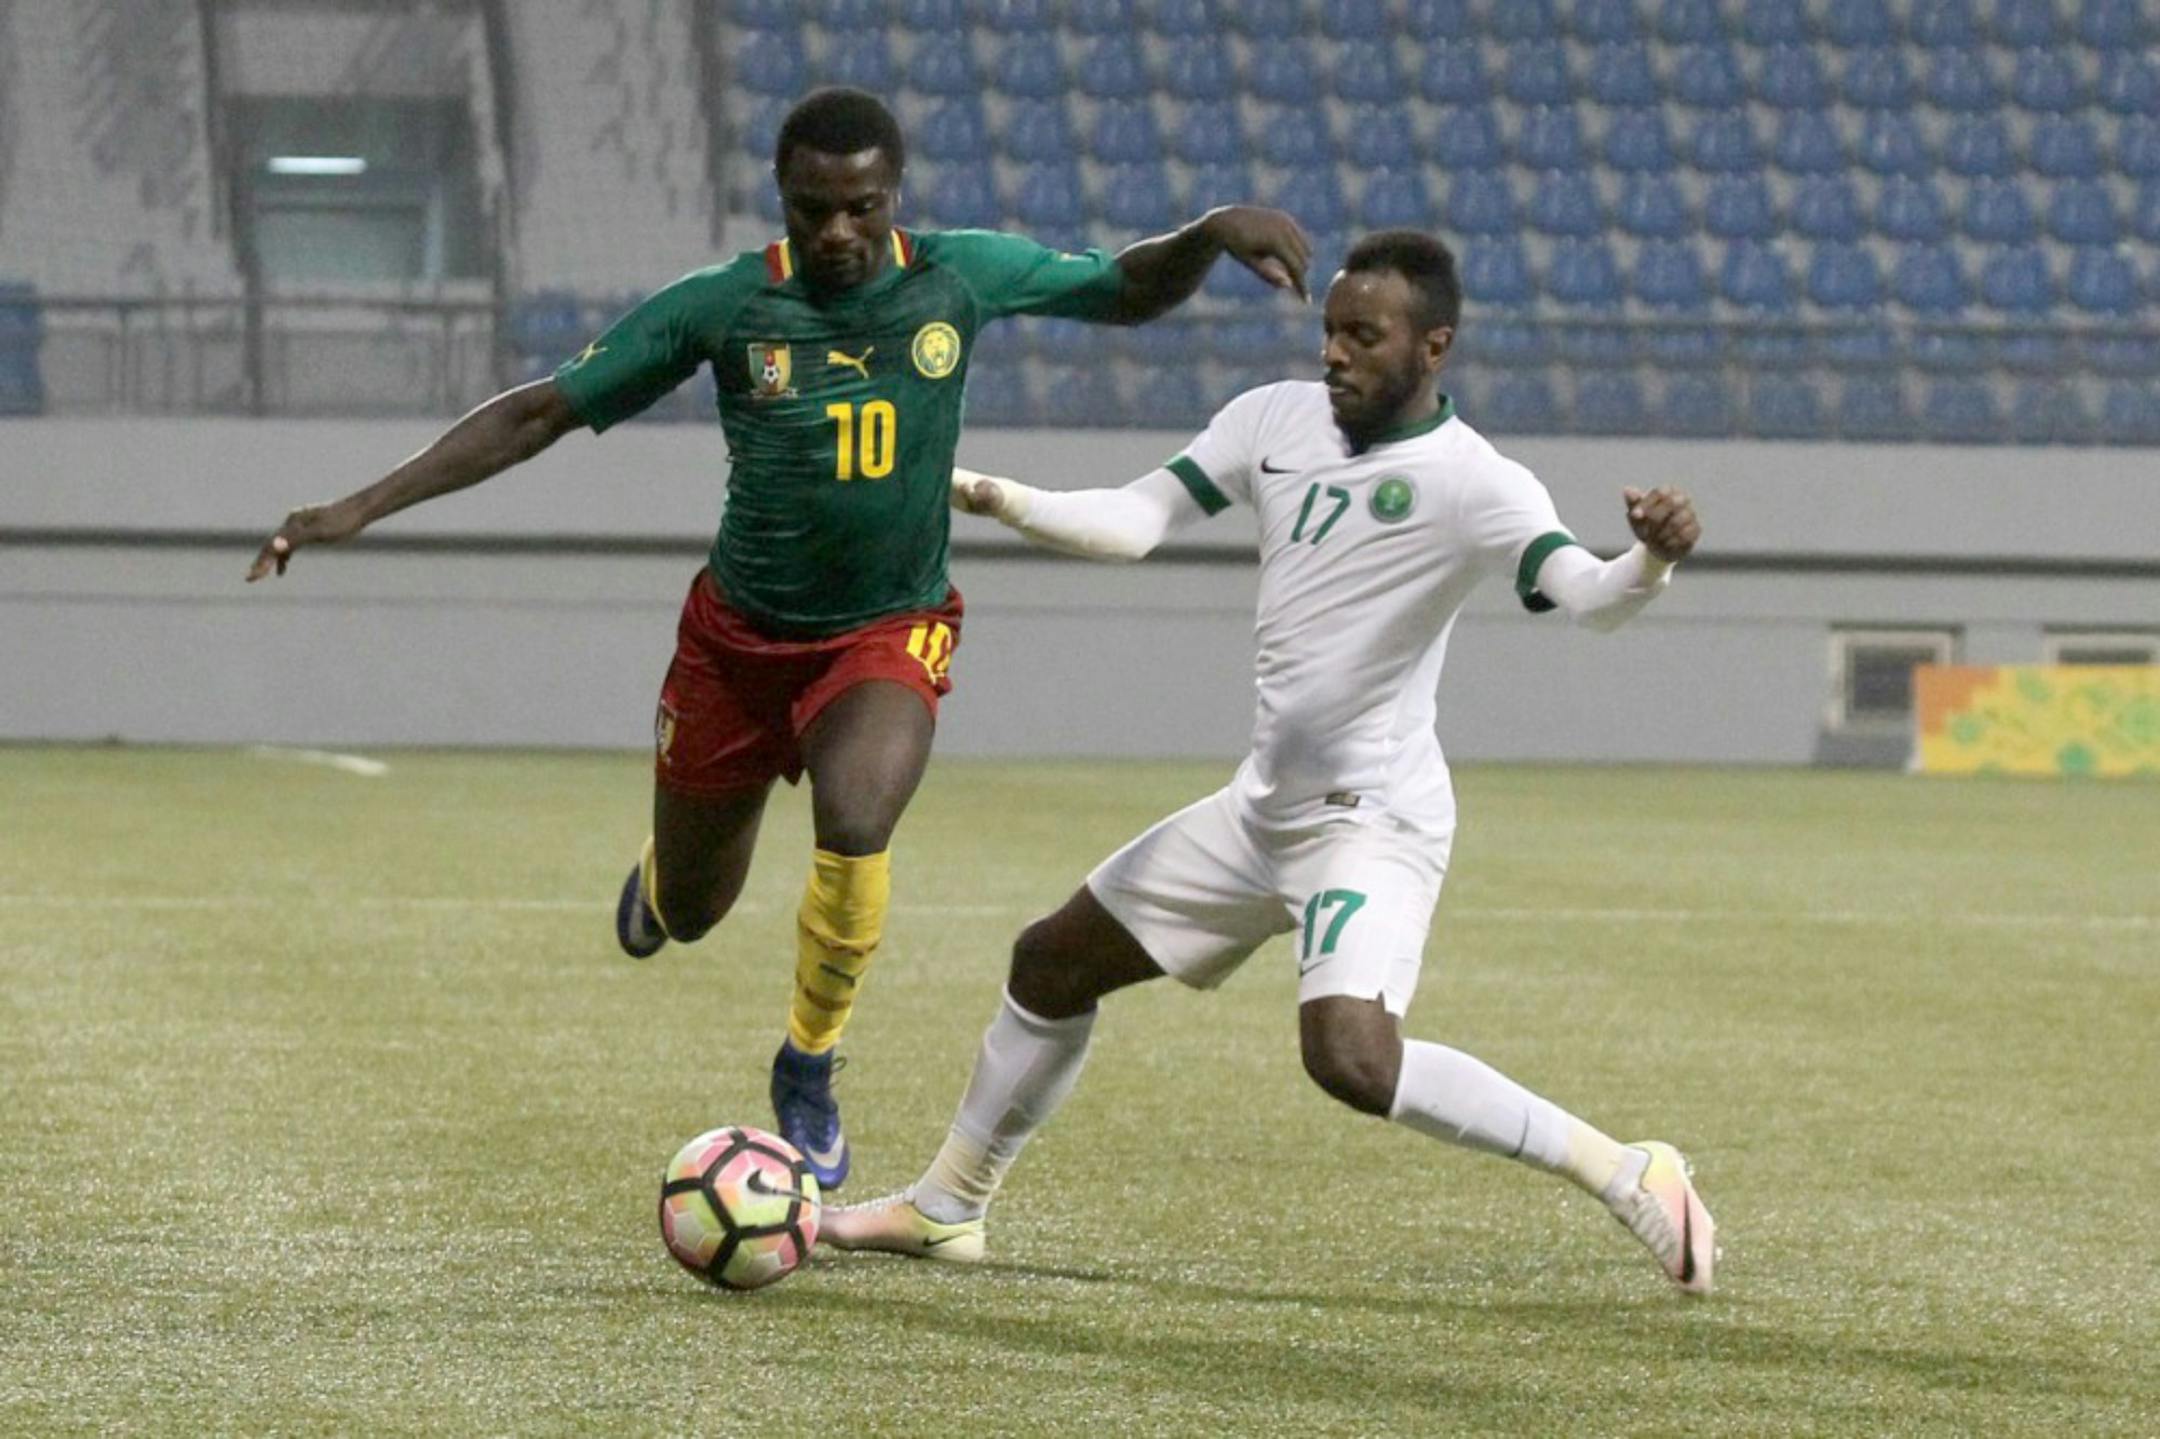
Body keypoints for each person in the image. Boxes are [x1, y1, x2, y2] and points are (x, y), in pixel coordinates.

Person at [244, 87, 1311, 1192]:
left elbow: (1125, 289)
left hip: (884, 633)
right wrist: (352, 509)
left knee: (858, 818)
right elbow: (537, 413)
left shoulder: (961, 275)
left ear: (893, 195)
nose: (840, 233)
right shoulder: (722, 309)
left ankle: (807, 1058)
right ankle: (665, 882)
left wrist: (1209, 232)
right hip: (735, 648)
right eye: (816, 211)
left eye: (861, 206)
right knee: (697, 910)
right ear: (784, 202)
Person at [820, 230, 1717, 1293]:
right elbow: (1134, 521)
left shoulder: (1476, 482)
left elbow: (1590, 595)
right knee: (1050, 963)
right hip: (1262, 810)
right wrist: (988, 492)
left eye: (1363, 336)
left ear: (1435, 346)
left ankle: (1626, 1168)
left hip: (1370, 823)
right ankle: (946, 1207)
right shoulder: (1273, 419)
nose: (1335, 354)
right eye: (1331, 330)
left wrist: (1652, 556)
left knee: (1350, 1057)